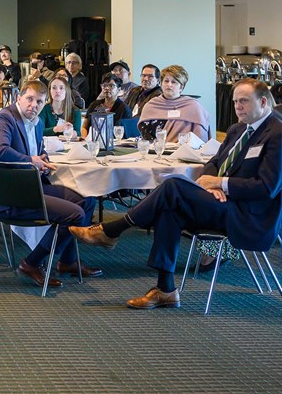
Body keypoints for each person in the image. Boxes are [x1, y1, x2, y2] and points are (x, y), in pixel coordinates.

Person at [71, 79, 282, 309]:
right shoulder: (237, 129)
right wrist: (212, 185)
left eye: (243, 101)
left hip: (249, 216)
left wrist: (222, 182)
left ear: (263, 101)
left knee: (173, 187)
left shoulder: (276, 133)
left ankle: (112, 230)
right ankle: (166, 289)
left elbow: (267, 188)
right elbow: (214, 161)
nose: (237, 107)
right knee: (169, 209)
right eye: (234, 102)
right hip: (222, 203)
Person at [0, 80, 99, 287]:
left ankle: (67, 261)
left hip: (32, 185)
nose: (34, 105)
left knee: (87, 200)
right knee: (74, 214)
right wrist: (31, 161)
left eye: (39, 101)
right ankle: (31, 263)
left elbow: (36, 151)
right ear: (19, 98)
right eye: (29, 99)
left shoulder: (37, 123)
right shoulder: (4, 118)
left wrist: (42, 158)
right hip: (9, 194)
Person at [139, 64, 211, 143]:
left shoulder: (194, 107)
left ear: (181, 87)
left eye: (174, 82)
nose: (169, 85)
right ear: (161, 83)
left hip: (185, 152)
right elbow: (145, 137)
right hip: (156, 150)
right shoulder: (151, 105)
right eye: (166, 81)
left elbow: (200, 139)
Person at [81, 72, 132, 138]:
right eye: (104, 85)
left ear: (118, 90)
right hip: (92, 142)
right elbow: (84, 127)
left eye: (111, 86)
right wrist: (85, 139)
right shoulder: (94, 104)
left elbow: (126, 133)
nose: (107, 88)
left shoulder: (124, 109)